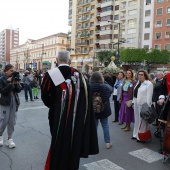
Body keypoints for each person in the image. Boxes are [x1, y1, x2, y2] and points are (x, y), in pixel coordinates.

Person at [41, 51, 99, 170]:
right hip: (76, 117)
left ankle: (57, 164)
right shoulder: (79, 75)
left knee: (58, 139)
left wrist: (56, 106)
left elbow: (45, 96)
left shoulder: (50, 75)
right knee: (73, 141)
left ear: (56, 60)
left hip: (57, 115)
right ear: (69, 60)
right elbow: (86, 95)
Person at [0, 64, 22, 148]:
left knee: (12, 121)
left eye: (13, 71)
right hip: (5, 102)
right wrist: (9, 83)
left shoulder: (14, 79)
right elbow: (2, 91)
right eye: (11, 71)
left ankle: (10, 139)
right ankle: (0, 135)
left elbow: (19, 90)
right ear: (6, 71)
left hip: (14, 101)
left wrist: (16, 83)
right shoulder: (2, 79)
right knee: (3, 120)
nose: (12, 73)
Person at [90, 71, 113, 149]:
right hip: (104, 109)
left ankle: (93, 143)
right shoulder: (104, 86)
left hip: (93, 109)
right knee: (105, 125)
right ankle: (107, 142)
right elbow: (111, 90)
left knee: (94, 126)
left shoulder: (89, 86)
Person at [132, 70, 153, 142]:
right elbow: (134, 93)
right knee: (137, 119)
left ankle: (141, 137)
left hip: (143, 104)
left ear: (145, 75)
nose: (140, 76)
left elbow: (149, 96)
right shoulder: (138, 82)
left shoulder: (148, 84)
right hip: (136, 102)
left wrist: (147, 107)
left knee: (142, 121)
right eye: (139, 74)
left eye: (142, 75)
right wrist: (132, 102)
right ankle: (135, 134)